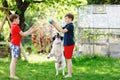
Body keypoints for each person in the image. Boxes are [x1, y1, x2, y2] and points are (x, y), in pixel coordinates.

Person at [9, 14, 37, 79]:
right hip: (15, 44)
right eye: (18, 19)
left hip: (14, 44)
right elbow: (24, 34)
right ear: (15, 19)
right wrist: (32, 31)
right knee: (14, 60)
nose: (19, 20)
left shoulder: (14, 26)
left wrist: (30, 30)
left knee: (14, 60)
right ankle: (12, 75)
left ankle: (12, 75)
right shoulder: (15, 26)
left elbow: (23, 33)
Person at [51, 13, 75, 78]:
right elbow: (60, 29)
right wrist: (54, 24)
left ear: (70, 19)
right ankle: (69, 73)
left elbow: (62, 31)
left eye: (66, 18)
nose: (65, 19)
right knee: (68, 58)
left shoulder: (70, 25)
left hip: (69, 44)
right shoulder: (67, 25)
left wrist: (54, 23)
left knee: (69, 59)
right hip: (67, 44)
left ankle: (69, 74)